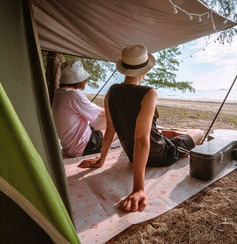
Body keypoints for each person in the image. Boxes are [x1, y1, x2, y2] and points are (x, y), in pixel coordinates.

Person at [78, 44, 203, 212]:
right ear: (144, 71)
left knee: (170, 137)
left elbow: (110, 129)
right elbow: (141, 139)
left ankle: (179, 146)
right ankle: (181, 147)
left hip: (132, 155)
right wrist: (138, 188)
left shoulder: (111, 91)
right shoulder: (149, 93)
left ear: (124, 69)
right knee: (197, 133)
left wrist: (101, 160)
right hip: (158, 154)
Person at [52, 60, 105, 157]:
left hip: (69, 147)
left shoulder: (59, 93)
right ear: (80, 80)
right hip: (83, 147)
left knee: (103, 120)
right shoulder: (74, 96)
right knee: (117, 128)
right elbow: (102, 113)